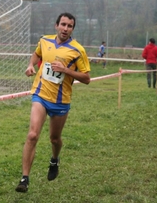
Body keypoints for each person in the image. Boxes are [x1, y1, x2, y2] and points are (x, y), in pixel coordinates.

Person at [15, 12, 91, 193]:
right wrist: (31, 65)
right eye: (63, 24)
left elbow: (87, 78)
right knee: (32, 135)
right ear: (56, 25)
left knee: (54, 139)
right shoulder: (44, 41)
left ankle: (54, 159)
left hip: (60, 101)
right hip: (40, 95)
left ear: (72, 29)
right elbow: (36, 55)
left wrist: (66, 70)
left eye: (69, 26)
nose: (65, 29)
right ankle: (24, 178)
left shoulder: (77, 50)